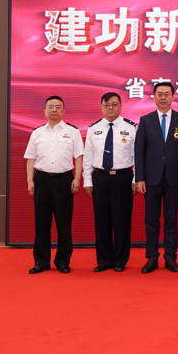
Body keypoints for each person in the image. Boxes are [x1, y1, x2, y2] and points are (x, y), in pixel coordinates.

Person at [134, 81, 178, 273]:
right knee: (151, 220)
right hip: (151, 179)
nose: (163, 97)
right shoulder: (146, 120)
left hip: (174, 178)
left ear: (173, 97)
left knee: (171, 219)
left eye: (167, 94)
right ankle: (152, 258)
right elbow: (139, 151)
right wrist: (139, 178)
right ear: (154, 97)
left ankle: (170, 257)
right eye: (160, 94)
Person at [23, 95, 84, 274]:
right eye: (51, 107)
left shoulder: (72, 131)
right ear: (45, 111)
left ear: (64, 111)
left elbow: (79, 156)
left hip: (64, 181)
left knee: (64, 224)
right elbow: (30, 158)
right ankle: (41, 262)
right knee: (41, 224)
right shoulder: (37, 132)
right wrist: (30, 180)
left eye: (58, 107)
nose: (54, 110)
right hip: (41, 180)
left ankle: (63, 261)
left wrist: (77, 178)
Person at [82, 92, 137, 273]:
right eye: (106, 104)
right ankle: (104, 260)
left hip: (123, 178)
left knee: (122, 220)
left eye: (114, 104)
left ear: (120, 106)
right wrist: (87, 180)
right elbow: (88, 156)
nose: (110, 108)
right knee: (102, 220)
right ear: (101, 107)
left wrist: (136, 178)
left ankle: (120, 259)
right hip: (100, 178)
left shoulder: (131, 127)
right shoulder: (93, 128)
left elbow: (138, 156)